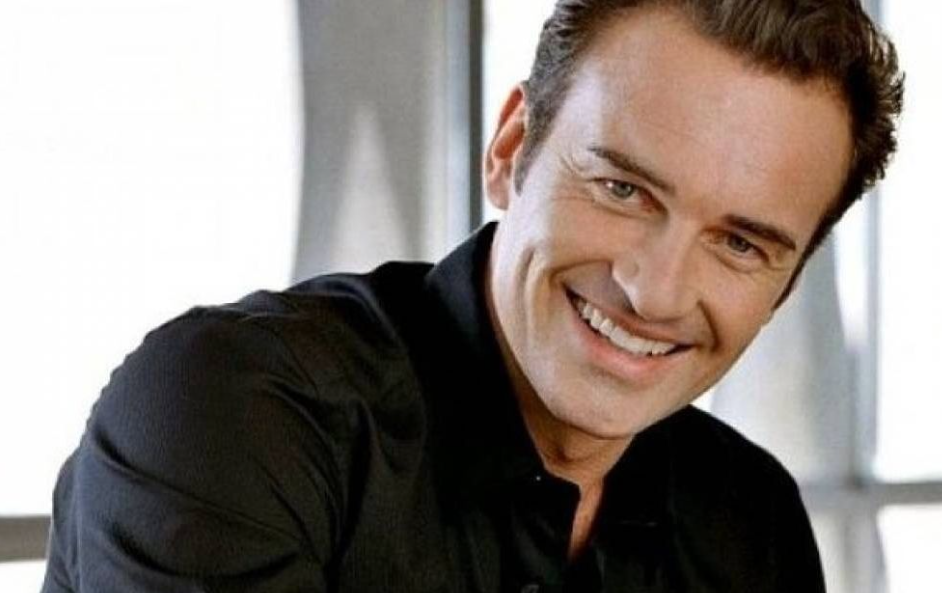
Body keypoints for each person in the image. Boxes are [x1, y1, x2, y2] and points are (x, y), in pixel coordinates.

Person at [42, 0, 902, 591]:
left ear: (786, 284)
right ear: (511, 148)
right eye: (623, 189)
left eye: (741, 243)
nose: (655, 290)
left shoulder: (749, 522)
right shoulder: (235, 411)